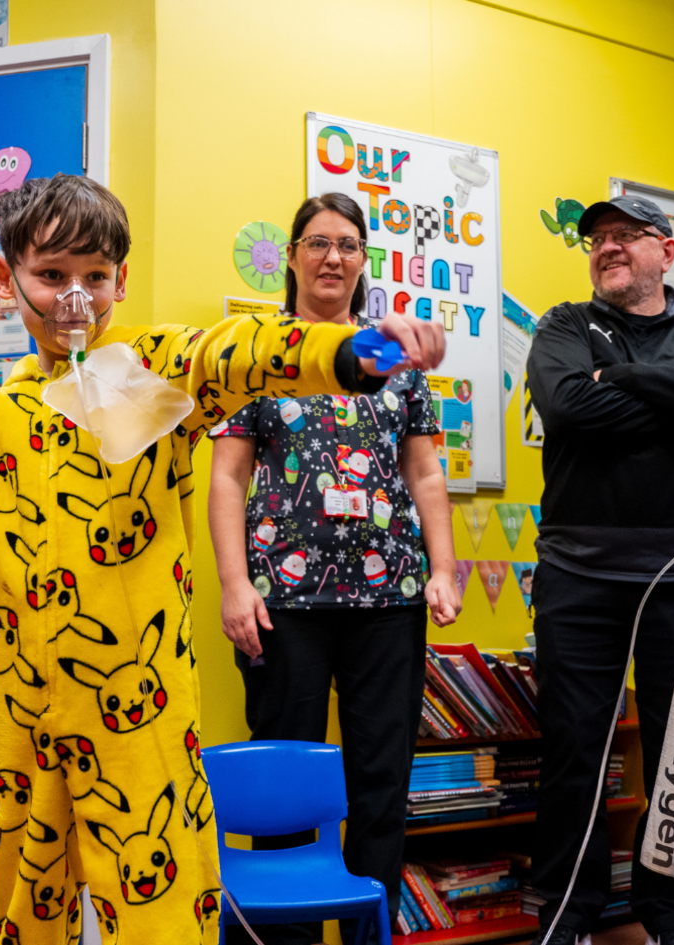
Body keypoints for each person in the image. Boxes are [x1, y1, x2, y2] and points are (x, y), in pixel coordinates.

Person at [0, 172, 446, 945]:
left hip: (138, 717)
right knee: (25, 907)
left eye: (95, 276)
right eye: (51, 275)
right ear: (7, 280)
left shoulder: (151, 374)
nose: (76, 296)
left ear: (121, 280)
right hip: (24, 717)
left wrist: (349, 354)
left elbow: (237, 351)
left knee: (162, 913)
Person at [207, 193, 461, 945]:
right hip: (283, 603)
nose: (332, 257)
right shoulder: (259, 354)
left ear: (363, 261)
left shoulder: (391, 359)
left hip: (388, 599)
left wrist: (442, 568)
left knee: (380, 778)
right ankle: (282, 935)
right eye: (317, 242)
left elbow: (426, 476)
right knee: (284, 783)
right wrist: (234, 583)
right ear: (291, 255)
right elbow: (227, 478)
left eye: (348, 244)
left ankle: (362, 935)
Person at [522, 194, 674, 945]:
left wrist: (624, 377)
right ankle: (568, 915)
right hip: (578, 573)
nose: (607, 247)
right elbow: (570, 408)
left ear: (668, 252)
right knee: (574, 748)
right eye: (597, 239)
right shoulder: (565, 326)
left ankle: (672, 917)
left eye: (626, 235)